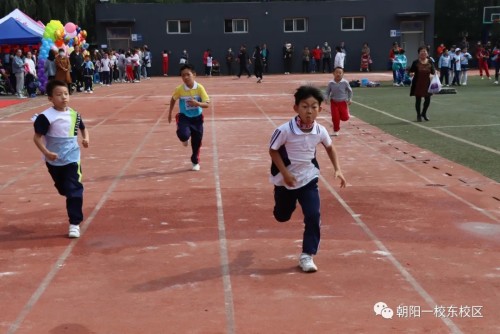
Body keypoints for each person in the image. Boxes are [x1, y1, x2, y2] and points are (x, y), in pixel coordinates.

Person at [269, 85, 346, 273]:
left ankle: (307, 255)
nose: (309, 111)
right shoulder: (285, 130)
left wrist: (338, 169)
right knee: (282, 216)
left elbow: (329, 147)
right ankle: (288, 203)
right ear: (296, 108)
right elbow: (272, 150)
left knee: (313, 215)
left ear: (320, 108)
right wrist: (285, 174)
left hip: (308, 178)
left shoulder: (320, 130)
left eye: (313, 106)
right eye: (304, 106)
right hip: (285, 181)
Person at [32, 80, 90, 238]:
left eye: (66, 94)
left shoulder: (74, 114)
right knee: (63, 188)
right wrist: (47, 152)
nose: (63, 97)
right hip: (54, 160)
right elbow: (36, 138)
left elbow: (83, 129)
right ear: (50, 98)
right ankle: (67, 191)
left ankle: (74, 223)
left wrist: (86, 139)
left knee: (74, 190)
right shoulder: (46, 117)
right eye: (58, 95)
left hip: (72, 158)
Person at [168, 64, 210, 171]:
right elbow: (173, 99)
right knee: (183, 135)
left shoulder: (200, 88)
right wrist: (170, 112)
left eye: (188, 74)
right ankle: (184, 138)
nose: (186, 77)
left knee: (196, 143)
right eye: (183, 75)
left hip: (197, 119)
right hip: (184, 117)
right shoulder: (180, 89)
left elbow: (207, 104)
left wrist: (197, 103)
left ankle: (195, 161)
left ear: (194, 75)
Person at [409, 46, 436, 122]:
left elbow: (433, 71)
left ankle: (423, 113)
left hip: (427, 83)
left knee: (428, 99)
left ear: (427, 53)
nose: (423, 53)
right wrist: (411, 73)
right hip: (418, 83)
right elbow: (411, 71)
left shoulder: (430, 61)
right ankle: (418, 115)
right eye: (422, 51)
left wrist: (435, 74)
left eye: (425, 51)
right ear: (419, 53)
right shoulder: (415, 62)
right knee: (418, 99)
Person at [324, 67, 352, 136]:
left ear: (343, 74)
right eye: (337, 72)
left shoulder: (345, 82)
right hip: (334, 102)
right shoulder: (331, 83)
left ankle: (346, 113)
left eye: (340, 73)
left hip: (343, 102)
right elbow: (327, 92)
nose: (338, 74)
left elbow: (350, 91)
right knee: (335, 117)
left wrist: (350, 99)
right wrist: (326, 98)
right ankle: (336, 130)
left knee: (345, 118)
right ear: (333, 73)